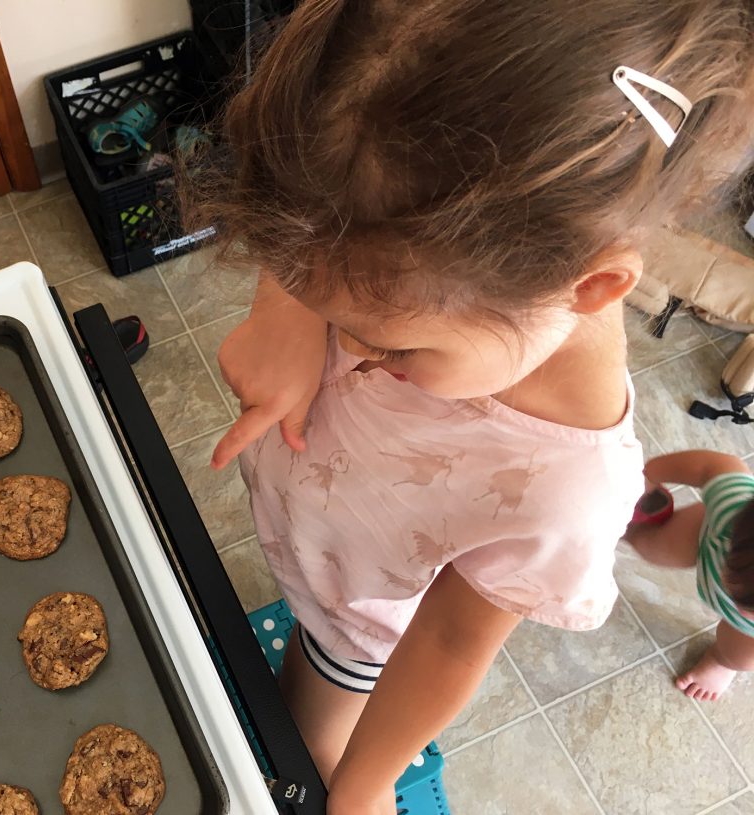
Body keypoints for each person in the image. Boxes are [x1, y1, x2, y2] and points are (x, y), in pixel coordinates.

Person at [182, 1, 754, 811]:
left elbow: (449, 641)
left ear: (588, 287)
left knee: (312, 734)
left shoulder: (566, 489)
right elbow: (321, 224)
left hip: (360, 613)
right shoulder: (397, 240)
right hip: (318, 533)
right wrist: (287, 308)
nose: (363, 357)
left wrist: (364, 783)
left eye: (388, 343)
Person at [626, 451, 754, 701]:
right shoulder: (733, 507)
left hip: (747, 632)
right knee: (650, 546)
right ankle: (625, 529)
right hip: (710, 536)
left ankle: (721, 660)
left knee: (742, 656)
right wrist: (649, 475)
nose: (741, 609)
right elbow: (714, 466)